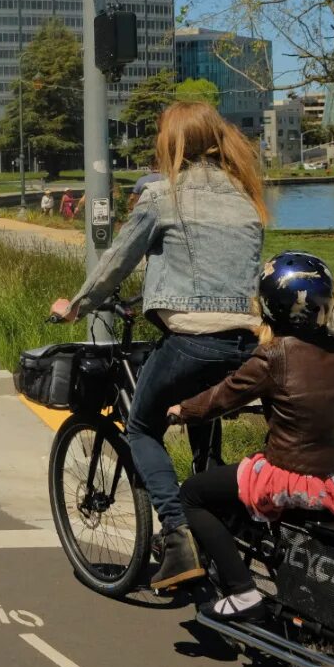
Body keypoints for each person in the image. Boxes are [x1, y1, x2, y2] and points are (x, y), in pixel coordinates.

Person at [51, 101, 267, 591]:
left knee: (143, 428)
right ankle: (218, 520)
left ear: (174, 143)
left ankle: (177, 534)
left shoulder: (163, 198)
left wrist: (78, 305)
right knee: (200, 420)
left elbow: (116, 262)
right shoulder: (244, 198)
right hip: (245, 345)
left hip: (193, 340)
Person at [168, 252, 334, 621]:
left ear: (270, 305)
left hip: (290, 476)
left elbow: (223, 396)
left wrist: (181, 411)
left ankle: (242, 592)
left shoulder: (272, 355)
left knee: (192, 495)